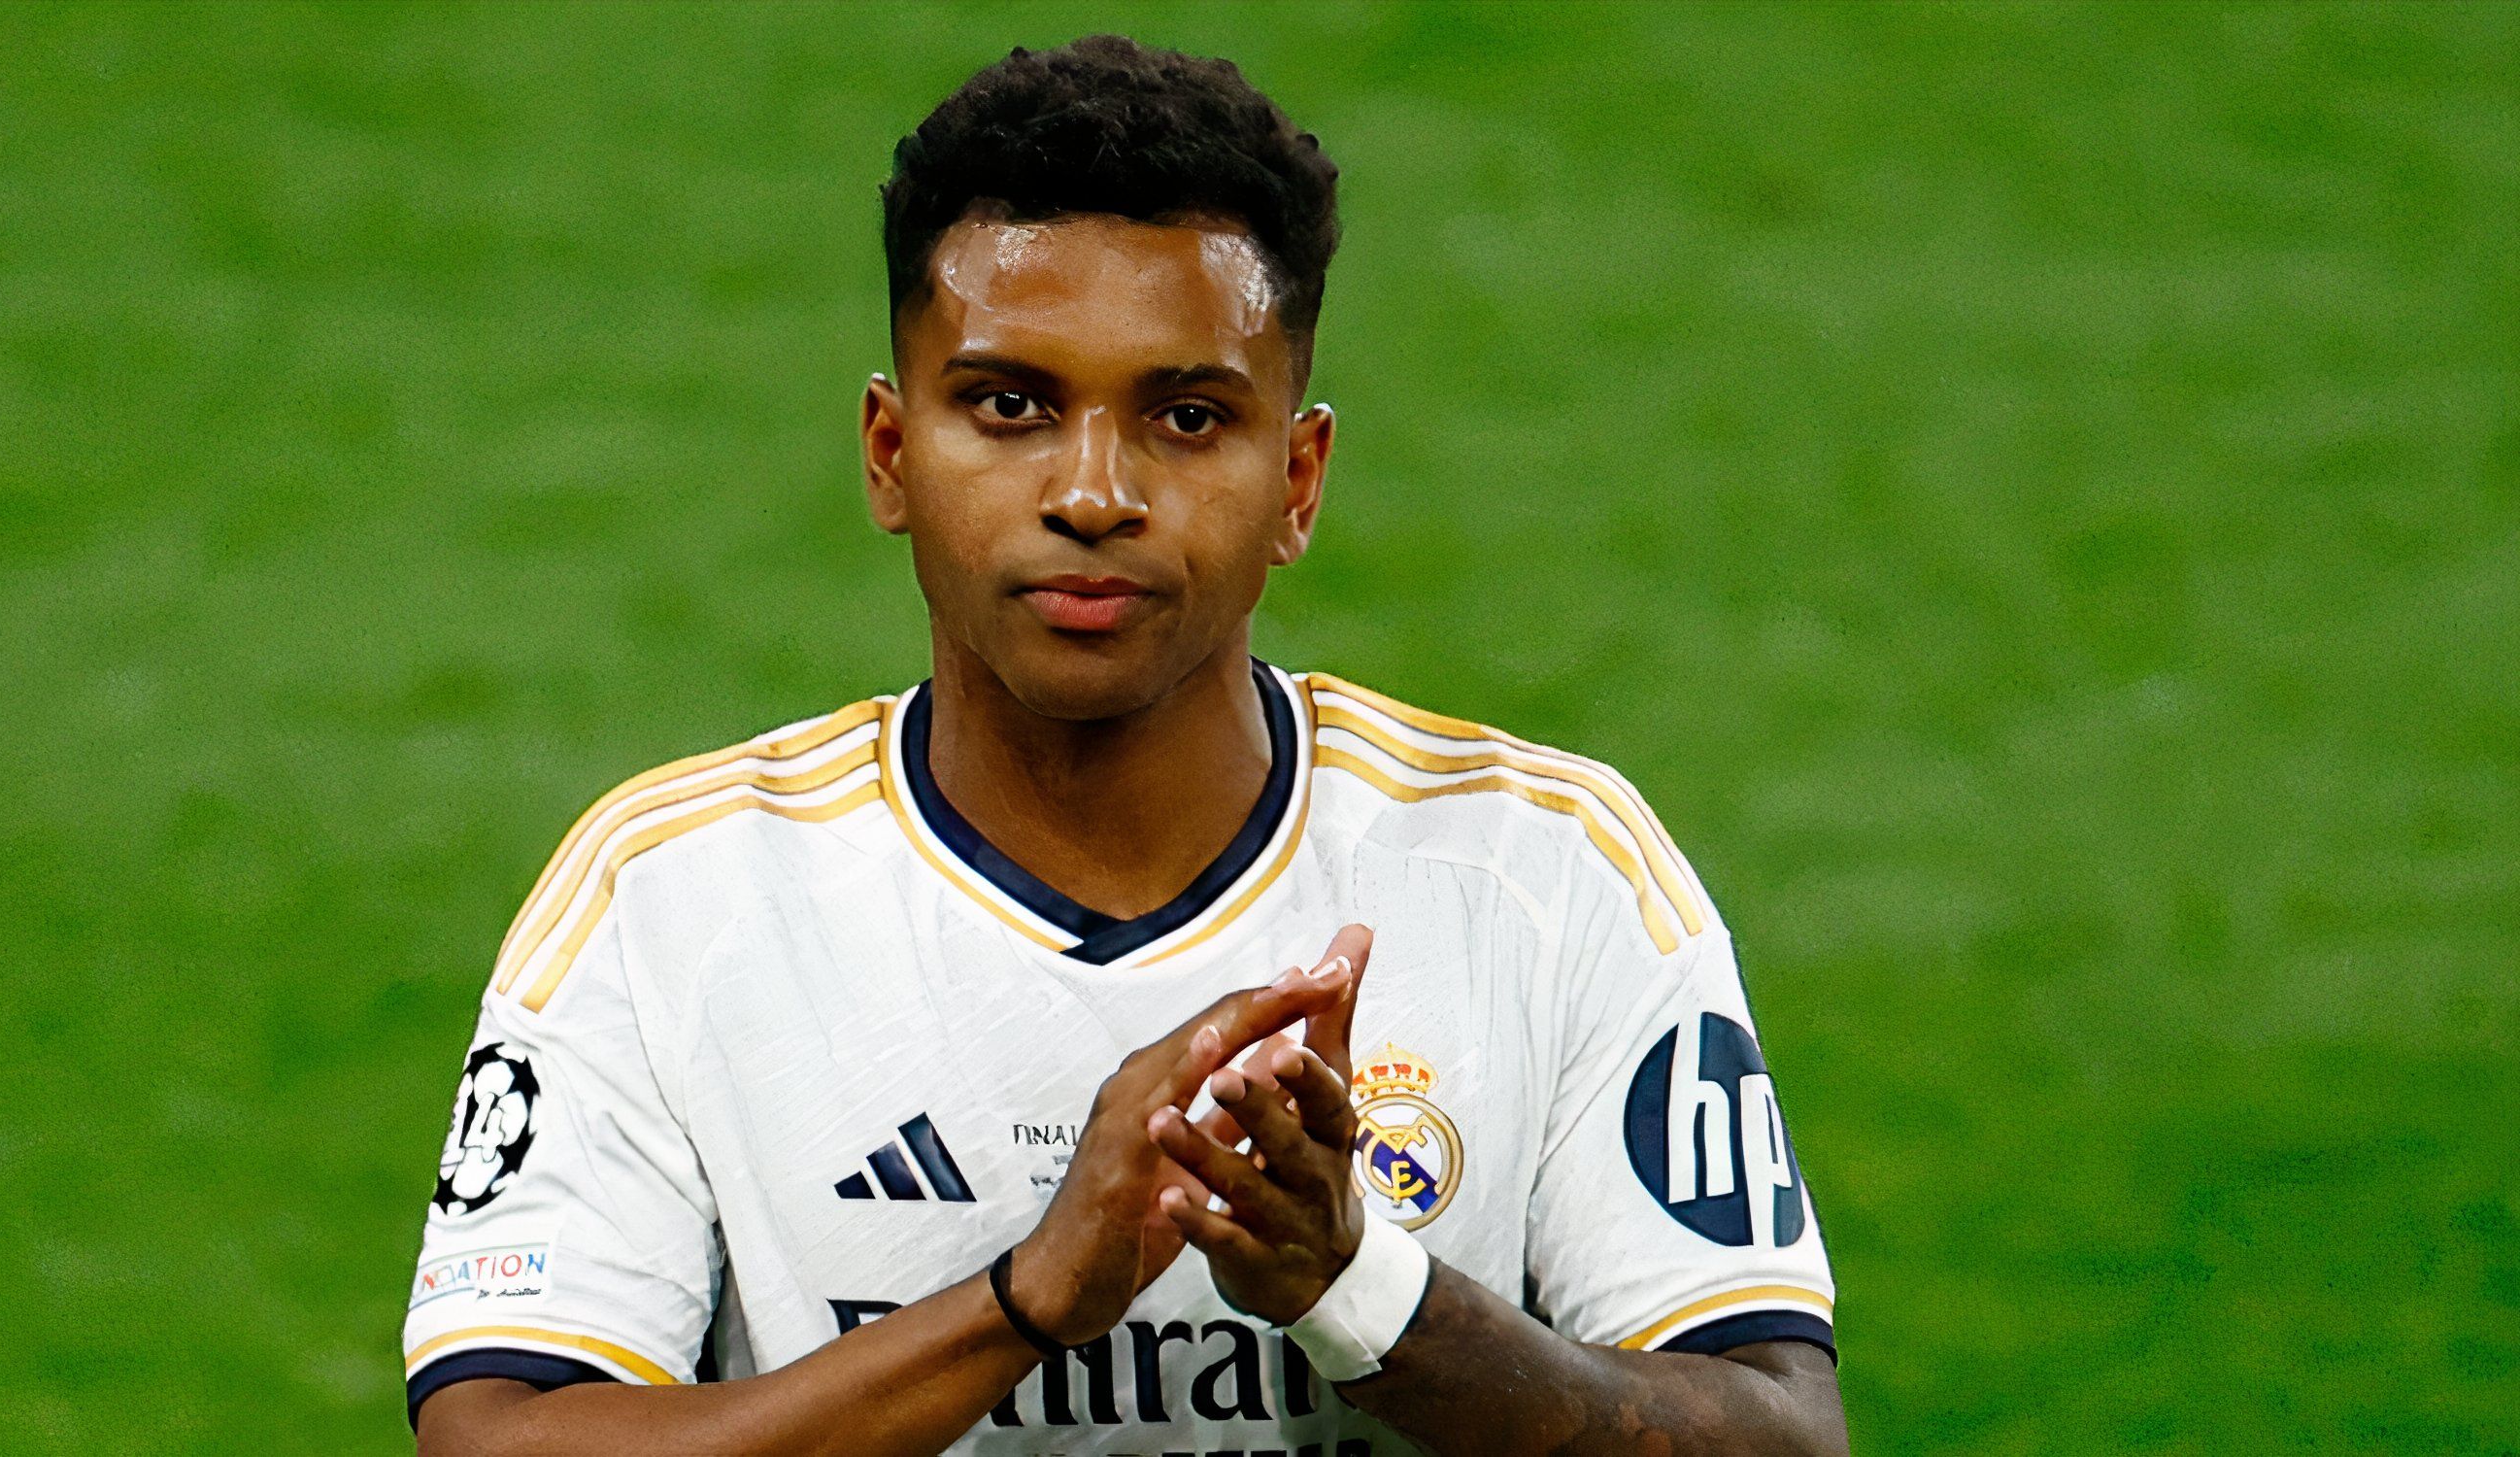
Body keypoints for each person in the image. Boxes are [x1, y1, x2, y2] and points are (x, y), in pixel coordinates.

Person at [405, 34, 1845, 1456]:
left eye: (1187, 416)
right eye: (1011, 405)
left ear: (1298, 479)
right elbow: (500, 1442)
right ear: (892, 456)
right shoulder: (670, 899)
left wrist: (1360, 1289)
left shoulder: (1544, 876)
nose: (1093, 493)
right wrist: (1029, 1299)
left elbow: (1783, 1437)